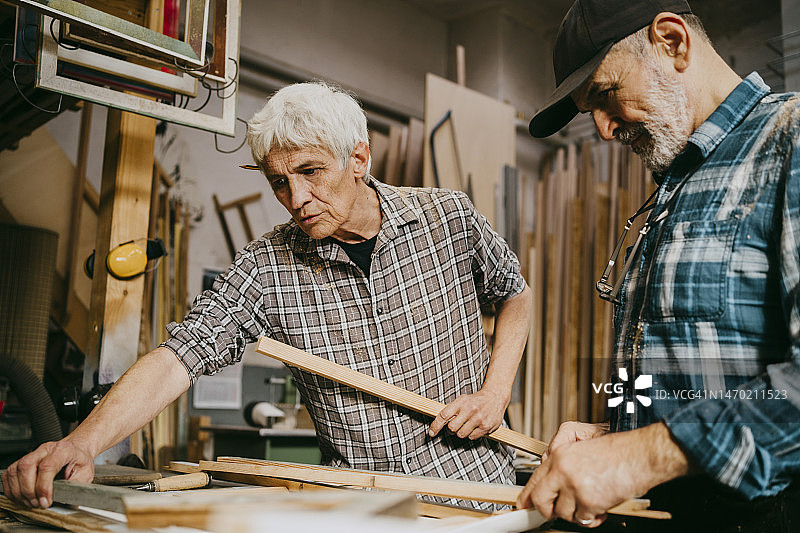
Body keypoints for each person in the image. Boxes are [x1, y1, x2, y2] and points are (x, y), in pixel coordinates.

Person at [2, 82, 532, 512]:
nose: (296, 200)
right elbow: (177, 359)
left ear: (359, 158)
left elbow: (516, 294)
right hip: (368, 510)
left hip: (479, 495)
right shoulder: (266, 266)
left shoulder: (448, 218)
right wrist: (80, 444)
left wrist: (494, 394)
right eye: (279, 182)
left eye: (310, 172)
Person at [517, 0, 800, 531]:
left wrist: (639, 456)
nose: (602, 129)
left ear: (672, 41)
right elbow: (709, 378)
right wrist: (619, 432)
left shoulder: (789, 139)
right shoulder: (676, 185)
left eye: (604, 93)